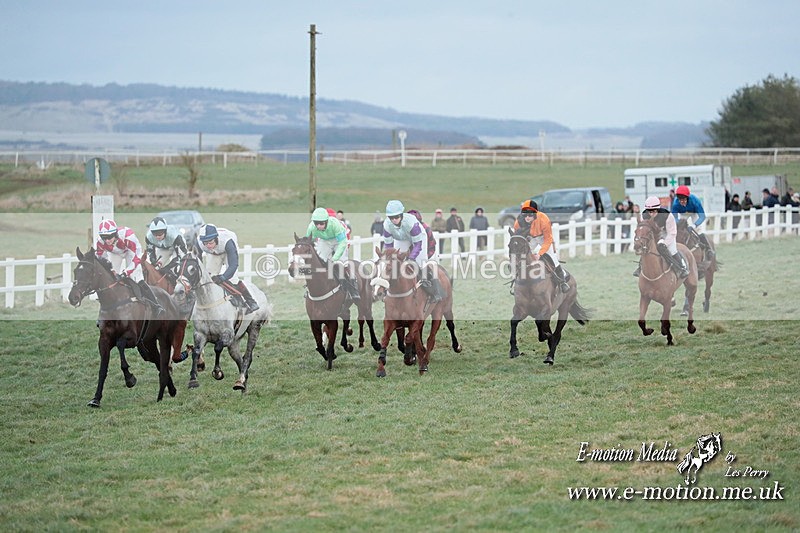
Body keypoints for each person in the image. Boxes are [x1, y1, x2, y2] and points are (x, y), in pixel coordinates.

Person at [95, 219, 163, 314]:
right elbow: (102, 258)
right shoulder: (100, 242)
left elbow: (137, 257)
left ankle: (156, 305)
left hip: (131, 252)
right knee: (110, 276)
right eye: (104, 238)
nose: (107, 240)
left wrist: (126, 273)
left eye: (109, 237)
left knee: (137, 277)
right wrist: (111, 270)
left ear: (115, 234)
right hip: (115, 253)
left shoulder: (128, 236)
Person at [382, 200, 442, 302]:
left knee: (420, 263)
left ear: (401, 215)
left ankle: (435, 292)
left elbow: (418, 245)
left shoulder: (411, 223)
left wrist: (411, 258)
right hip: (401, 238)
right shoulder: (387, 225)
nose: (394, 220)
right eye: (391, 217)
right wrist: (390, 257)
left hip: (418, 238)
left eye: (396, 217)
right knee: (394, 263)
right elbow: (388, 245)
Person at [196, 224, 259, 313]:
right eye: (205, 243)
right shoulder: (199, 243)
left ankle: (251, 302)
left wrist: (223, 277)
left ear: (216, 238)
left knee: (233, 279)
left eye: (210, 242)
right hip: (214, 253)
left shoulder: (227, 241)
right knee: (210, 278)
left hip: (227, 250)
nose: (208, 246)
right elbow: (197, 262)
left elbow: (233, 265)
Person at [512, 199, 570, 292]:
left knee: (552, 257)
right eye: (525, 214)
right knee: (521, 256)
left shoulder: (544, 220)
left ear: (535, 214)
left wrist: (539, 254)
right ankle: (516, 280)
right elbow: (518, 239)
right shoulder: (518, 223)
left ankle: (562, 282)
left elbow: (548, 240)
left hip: (543, 238)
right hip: (530, 238)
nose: (527, 217)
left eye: (530, 215)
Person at [305, 207, 359, 301]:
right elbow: (308, 243)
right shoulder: (311, 227)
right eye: (316, 223)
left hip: (339, 241)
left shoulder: (335, 224)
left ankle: (352, 289)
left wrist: (334, 258)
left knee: (341, 263)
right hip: (324, 241)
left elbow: (342, 243)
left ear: (327, 221)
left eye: (321, 223)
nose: (319, 226)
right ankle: (310, 288)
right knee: (319, 262)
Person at [632, 196, 689, 279]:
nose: (651, 213)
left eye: (654, 210)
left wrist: (665, 243)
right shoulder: (644, 215)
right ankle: (640, 267)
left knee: (672, 249)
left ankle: (682, 267)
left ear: (658, 209)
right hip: (653, 235)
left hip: (666, 233)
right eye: (649, 211)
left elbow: (672, 233)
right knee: (646, 248)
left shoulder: (667, 216)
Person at [671, 185, 715, 260]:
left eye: (684, 200)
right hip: (683, 214)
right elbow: (674, 218)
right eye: (680, 200)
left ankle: (708, 249)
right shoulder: (675, 203)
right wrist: (680, 224)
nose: (682, 202)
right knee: (679, 229)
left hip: (694, 213)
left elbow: (702, 217)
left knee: (698, 230)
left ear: (687, 198)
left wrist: (694, 225)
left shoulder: (695, 201)